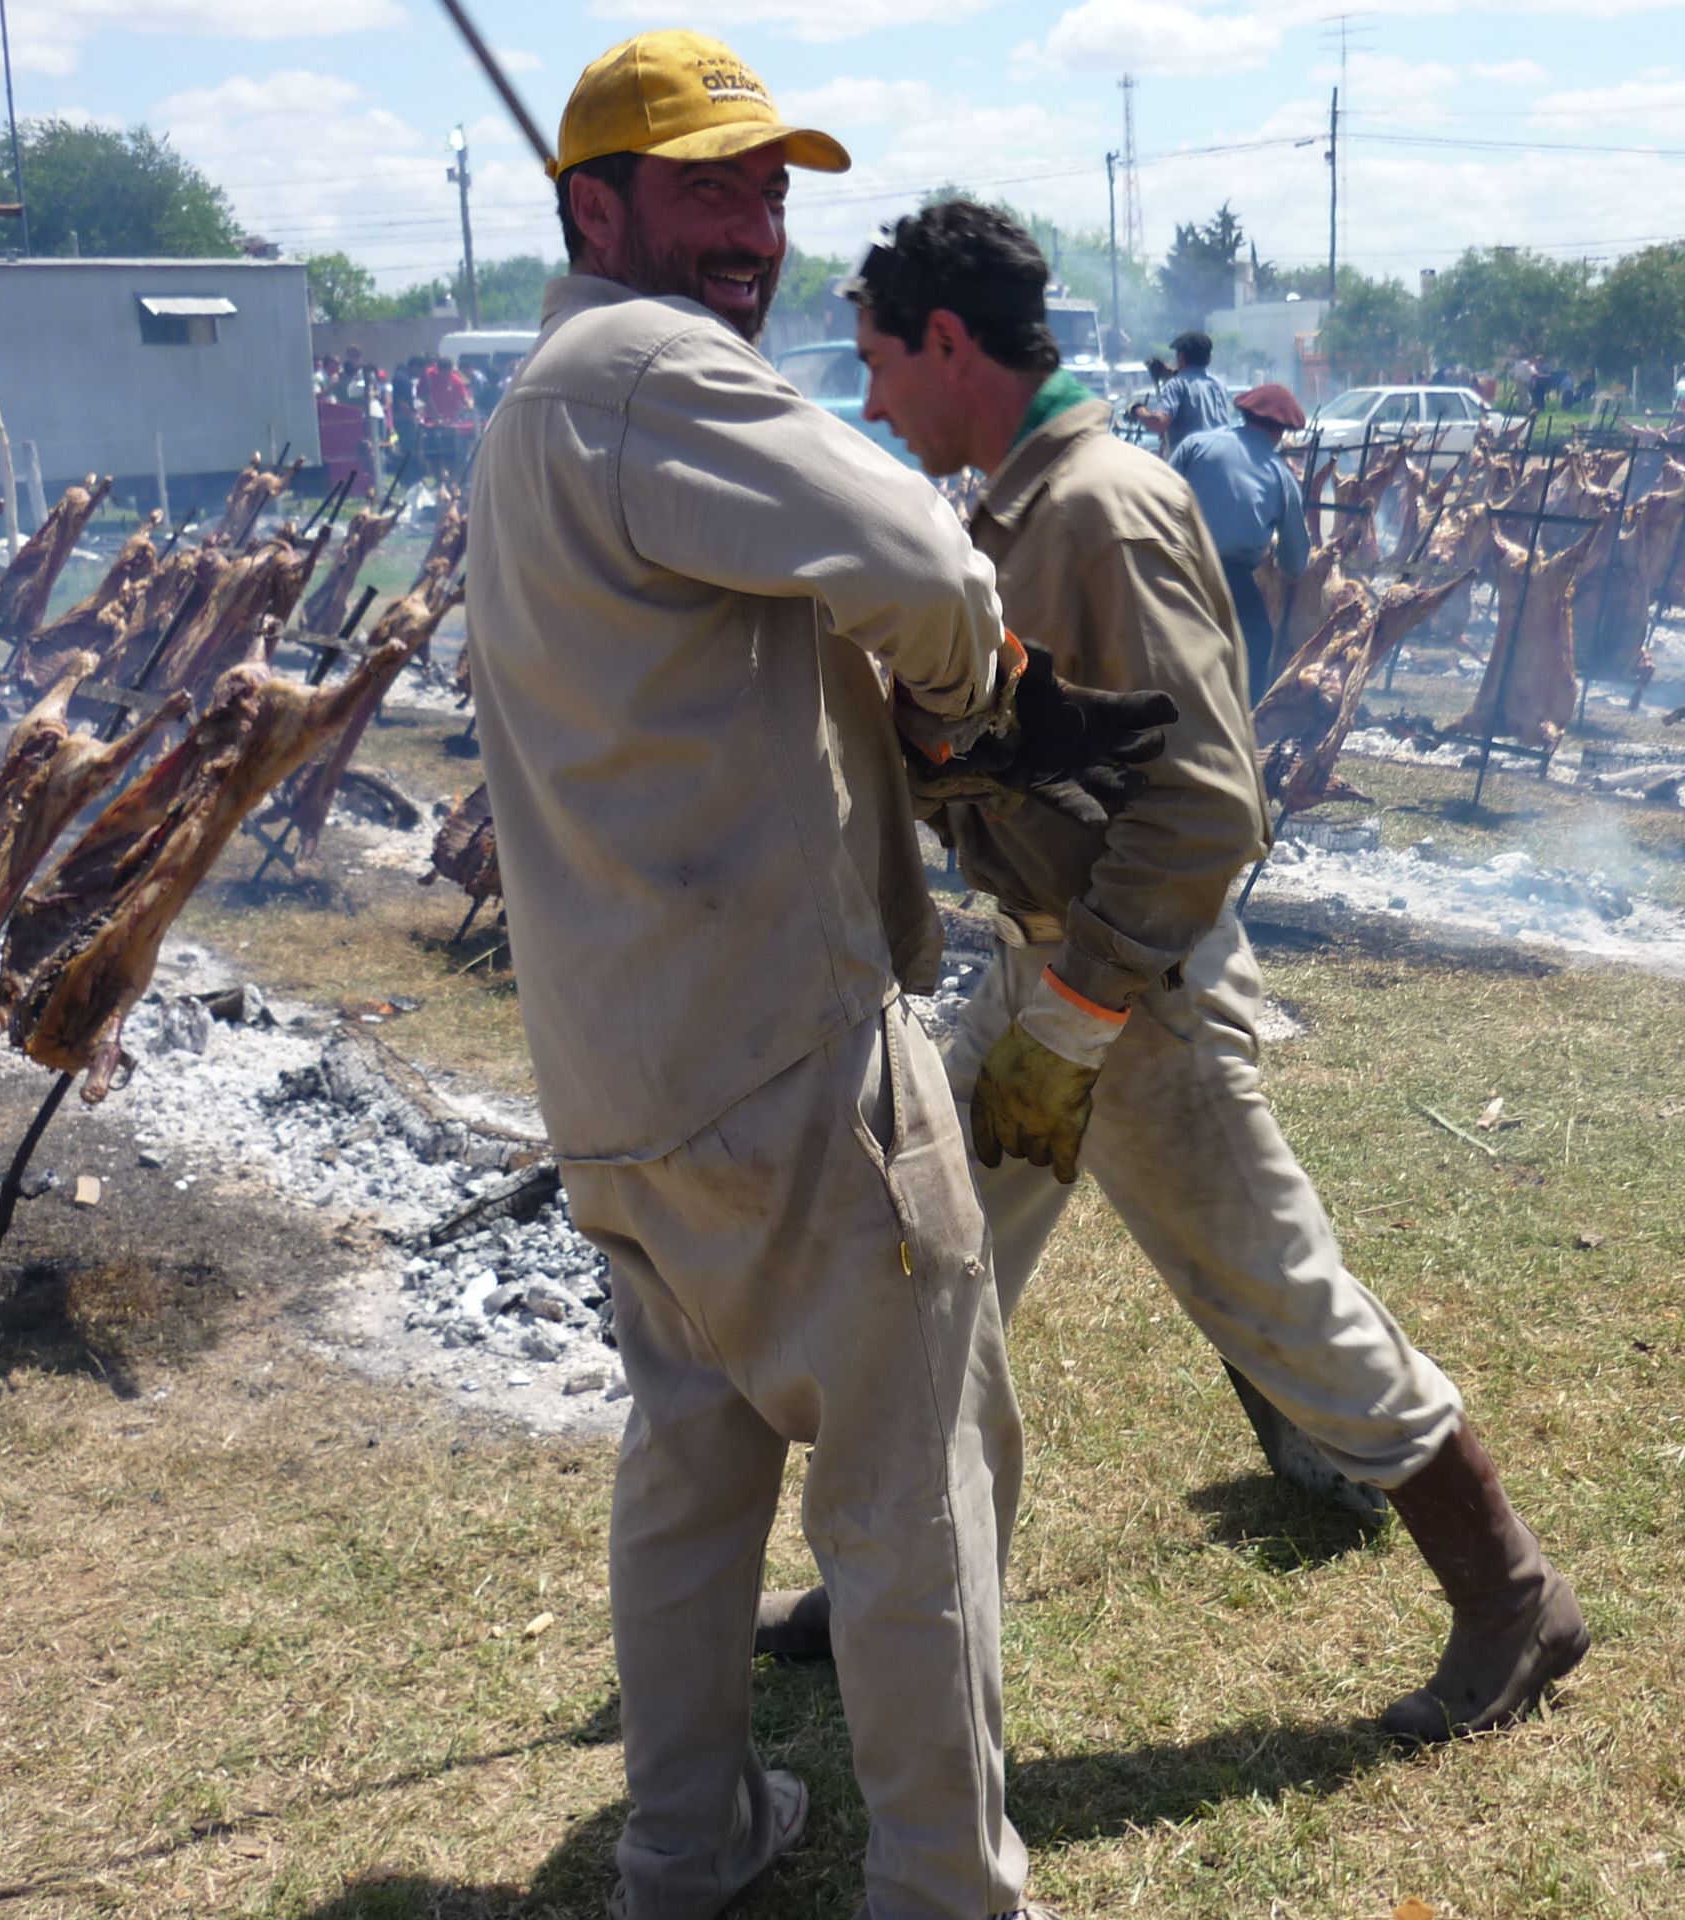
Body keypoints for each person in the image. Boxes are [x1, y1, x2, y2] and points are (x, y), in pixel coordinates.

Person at [468, 33, 1158, 1920]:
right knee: (911, 1480)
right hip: (785, 1054)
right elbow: (923, 560)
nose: (753, 230)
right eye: (708, 186)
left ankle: (687, 1849)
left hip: (624, 1068)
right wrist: (967, 703)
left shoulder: (532, 408)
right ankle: (943, 1890)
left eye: (770, 192)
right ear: (594, 204)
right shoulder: (649, 368)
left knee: (692, 1478)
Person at [776, 197, 1590, 1751]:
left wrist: (1081, 1016)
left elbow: (1210, 804)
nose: (871, 400)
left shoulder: (1100, 509)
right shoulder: (1024, 510)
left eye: (879, 362)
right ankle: (892, 1582)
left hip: (1131, 998)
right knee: (925, 1273)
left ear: (948, 342)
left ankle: (1513, 1601)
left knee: (1284, 1308)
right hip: (1050, 973)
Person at [1168, 382, 1309, 699]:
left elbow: (1160, 495)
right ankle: (1243, 719)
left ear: (1245, 414)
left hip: (1176, 568)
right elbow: (1294, 562)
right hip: (1231, 578)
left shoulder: (1196, 445)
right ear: (1281, 431)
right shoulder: (1280, 475)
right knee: (1256, 645)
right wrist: (1286, 571)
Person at [1133, 329, 1237, 453]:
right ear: (1209, 359)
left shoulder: (1176, 384)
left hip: (1193, 459)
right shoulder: (1218, 385)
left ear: (1181, 357)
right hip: (1222, 455)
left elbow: (1159, 423)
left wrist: (1137, 409)